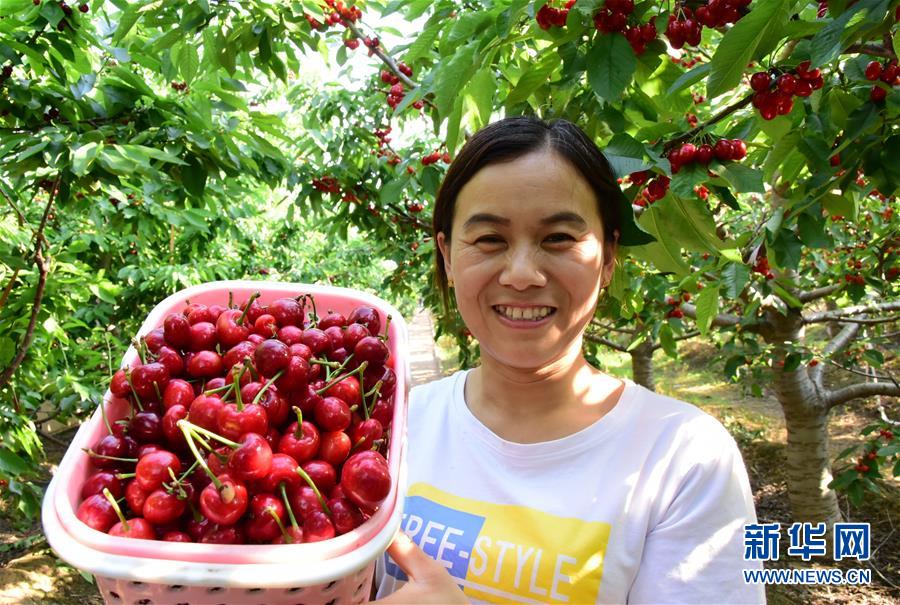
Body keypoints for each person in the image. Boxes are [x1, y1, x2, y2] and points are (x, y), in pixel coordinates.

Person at [373, 116, 764, 604]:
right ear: (448, 257)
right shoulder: (396, 428)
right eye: (489, 239)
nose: (522, 274)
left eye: (558, 237)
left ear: (608, 257)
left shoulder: (683, 459)